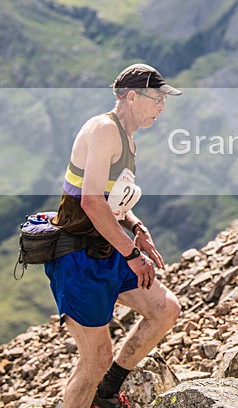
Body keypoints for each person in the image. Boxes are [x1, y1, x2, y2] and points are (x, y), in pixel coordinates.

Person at [46, 64, 182, 408]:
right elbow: (91, 201)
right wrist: (133, 255)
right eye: (157, 99)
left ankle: (105, 395)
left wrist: (136, 227)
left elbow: (111, 200)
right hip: (75, 256)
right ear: (132, 97)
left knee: (164, 309)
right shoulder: (105, 129)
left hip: (106, 249)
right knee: (94, 360)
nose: (162, 107)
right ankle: (93, 393)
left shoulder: (128, 138)